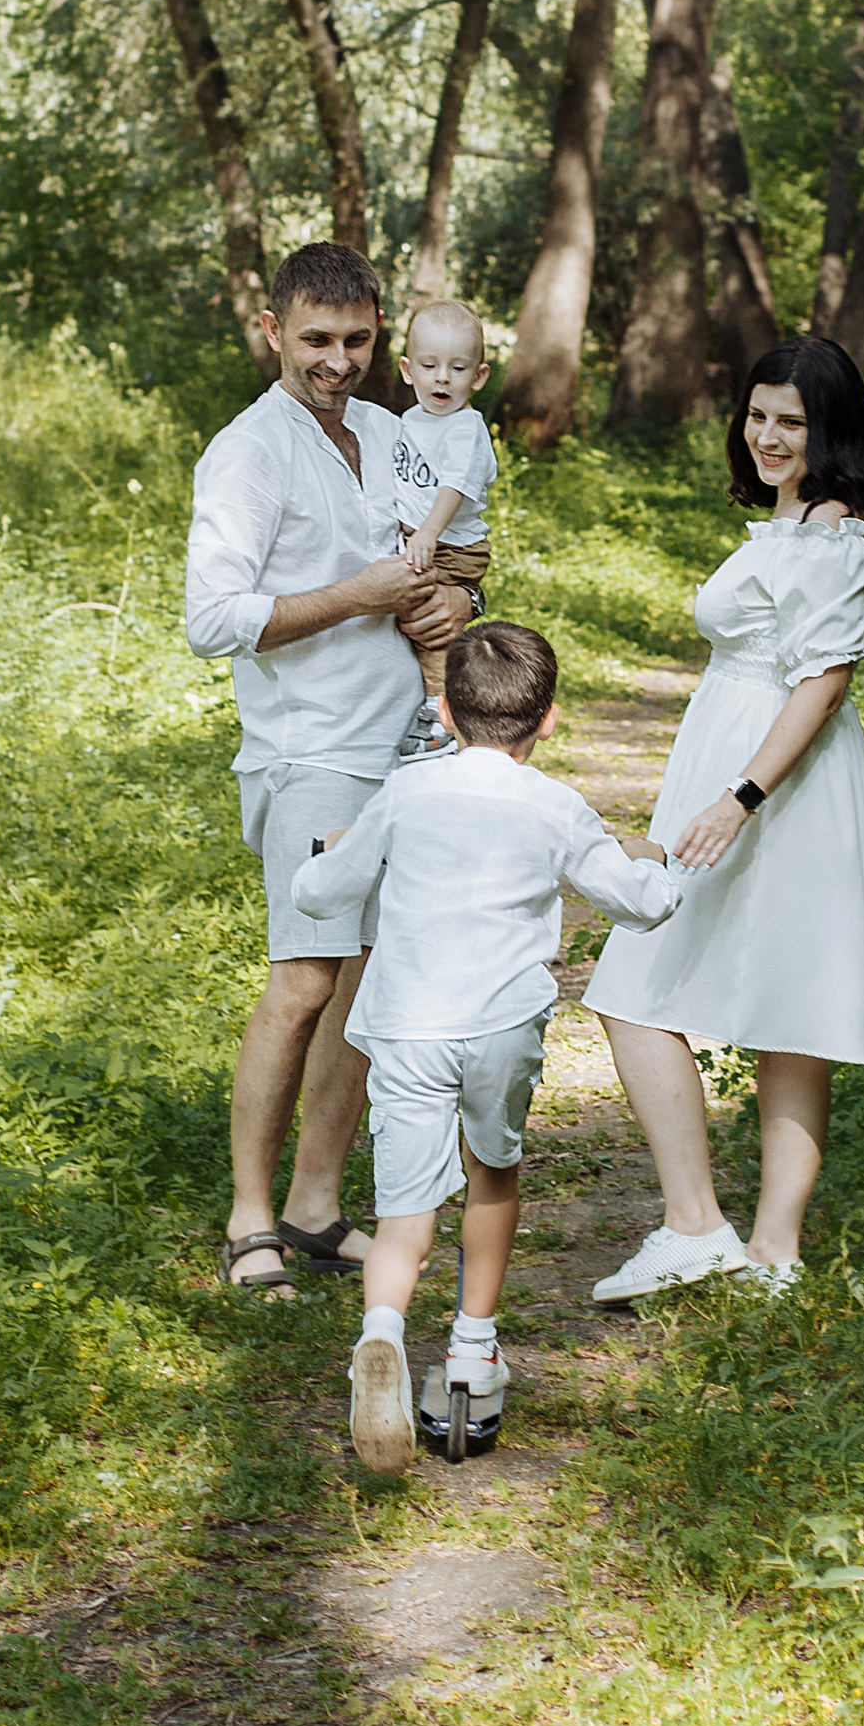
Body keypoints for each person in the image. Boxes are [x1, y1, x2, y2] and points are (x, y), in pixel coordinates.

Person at [288, 620, 682, 1475]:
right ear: (548, 721)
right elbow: (640, 903)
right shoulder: (556, 806)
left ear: (444, 709)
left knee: (405, 1215)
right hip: (501, 1024)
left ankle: (382, 1335)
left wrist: (328, 855)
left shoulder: (404, 794)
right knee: (493, 1172)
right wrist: (654, 862)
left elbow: (323, 893)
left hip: (408, 1027)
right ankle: (473, 1350)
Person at [183, 243, 474, 1298]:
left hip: (409, 745)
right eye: (315, 338)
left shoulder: (395, 433)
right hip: (309, 753)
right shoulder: (248, 454)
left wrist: (452, 605)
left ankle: (314, 1205)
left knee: (361, 986)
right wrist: (359, 592)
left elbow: (434, 561)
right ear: (273, 331)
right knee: (303, 979)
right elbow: (211, 620)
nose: (337, 360)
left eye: (356, 340)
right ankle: (249, 1218)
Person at [585, 334, 864, 1303]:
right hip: (729, 763)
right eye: (758, 415)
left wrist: (741, 796)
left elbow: (823, 682)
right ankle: (730, 1236)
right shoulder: (790, 524)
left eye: (790, 421)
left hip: (779, 783)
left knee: (652, 986)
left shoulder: (835, 538)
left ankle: (747, 1240)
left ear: (828, 428)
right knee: (699, 997)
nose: (766, 435)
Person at [383, 300, 498, 744]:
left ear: (479, 376)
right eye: (430, 365)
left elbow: (455, 485)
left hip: (451, 546)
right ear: (408, 370)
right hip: (419, 539)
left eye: (457, 367)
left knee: (428, 620)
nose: (443, 378)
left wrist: (427, 533)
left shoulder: (466, 428)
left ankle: (439, 710)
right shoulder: (411, 420)